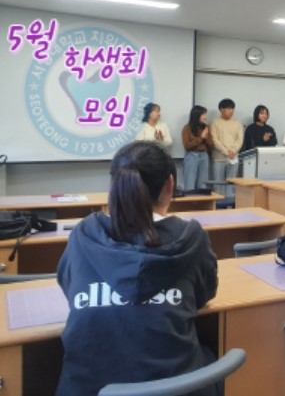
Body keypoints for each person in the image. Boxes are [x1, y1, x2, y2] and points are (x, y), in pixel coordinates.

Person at [56, 142, 218, 396]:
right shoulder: (191, 239)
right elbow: (203, 295)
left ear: (113, 185)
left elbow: (68, 288)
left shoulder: (83, 235)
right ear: (170, 185)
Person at [210, 98, 244, 198]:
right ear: (221, 109)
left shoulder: (237, 123)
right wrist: (226, 152)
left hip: (233, 157)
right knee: (218, 184)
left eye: (232, 109)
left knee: (231, 184)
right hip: (219, 157)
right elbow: (214, 140)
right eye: (229, 109)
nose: (231, 111)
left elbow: (240, 140)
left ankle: (230, 204)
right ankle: (217, 205)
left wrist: (233, 151)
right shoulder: (214, 122)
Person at [181, 105, 213, 190]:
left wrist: (205, 138)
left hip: (204, 156)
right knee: (190, 184)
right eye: (203, 115)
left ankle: (201, 199)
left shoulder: (206, 128)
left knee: (202, 185)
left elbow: (211, 145)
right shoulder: (187, 128)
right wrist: (201, 138)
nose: (205, 117)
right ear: (196, 115)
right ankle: (189, 199)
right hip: (192, 156)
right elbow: (187, 146)